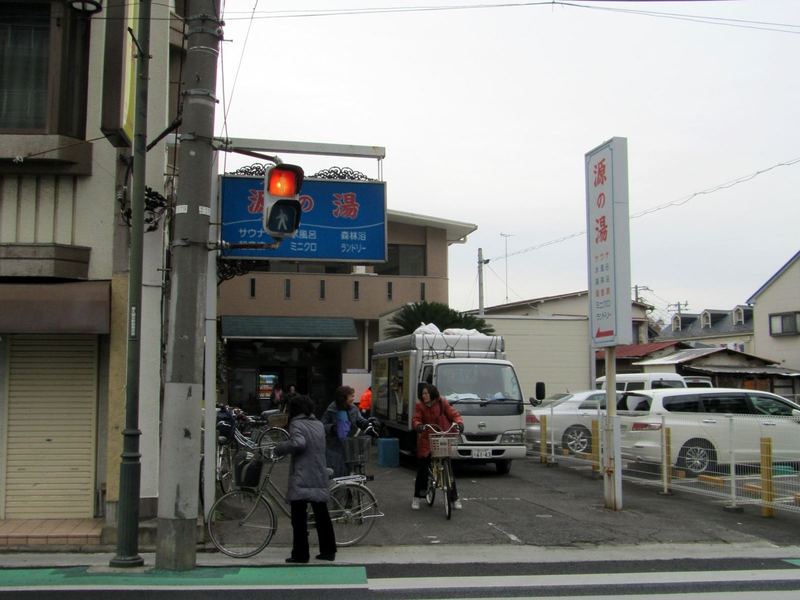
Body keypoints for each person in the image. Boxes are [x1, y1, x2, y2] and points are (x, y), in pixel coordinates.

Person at [273, 394, 336, 563]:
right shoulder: (318, 424)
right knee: (322, 514)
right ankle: (329, 551)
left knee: (298, 518)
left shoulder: (296, 423)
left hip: (302, 474)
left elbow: (298, 443)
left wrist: (280, 448)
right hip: (318, 472)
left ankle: (301, 554)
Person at [411, 383, 464, 511]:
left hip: (442, 437)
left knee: (448, 468)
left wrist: (459, 423)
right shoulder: (420, 406)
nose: (424, 396)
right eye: (422, 394)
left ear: (432, 393)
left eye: (426, 393)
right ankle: (417, 497)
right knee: (423, 468)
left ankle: (454, 498)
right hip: (427, 439)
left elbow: (454, 414)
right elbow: (416, 419)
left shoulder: (442, 403)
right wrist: (419, 426)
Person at [321, 385, 370, 476]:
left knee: (351, 471)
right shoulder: (332, 409)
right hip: (335, 447)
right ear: (343, 398)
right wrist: (332, 428)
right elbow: (322, 425)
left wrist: (367, 424)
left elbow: (360, 420)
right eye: (351, 396)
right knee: (337, 472)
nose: (353, 398)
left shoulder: (353, 408)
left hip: (351, 445)